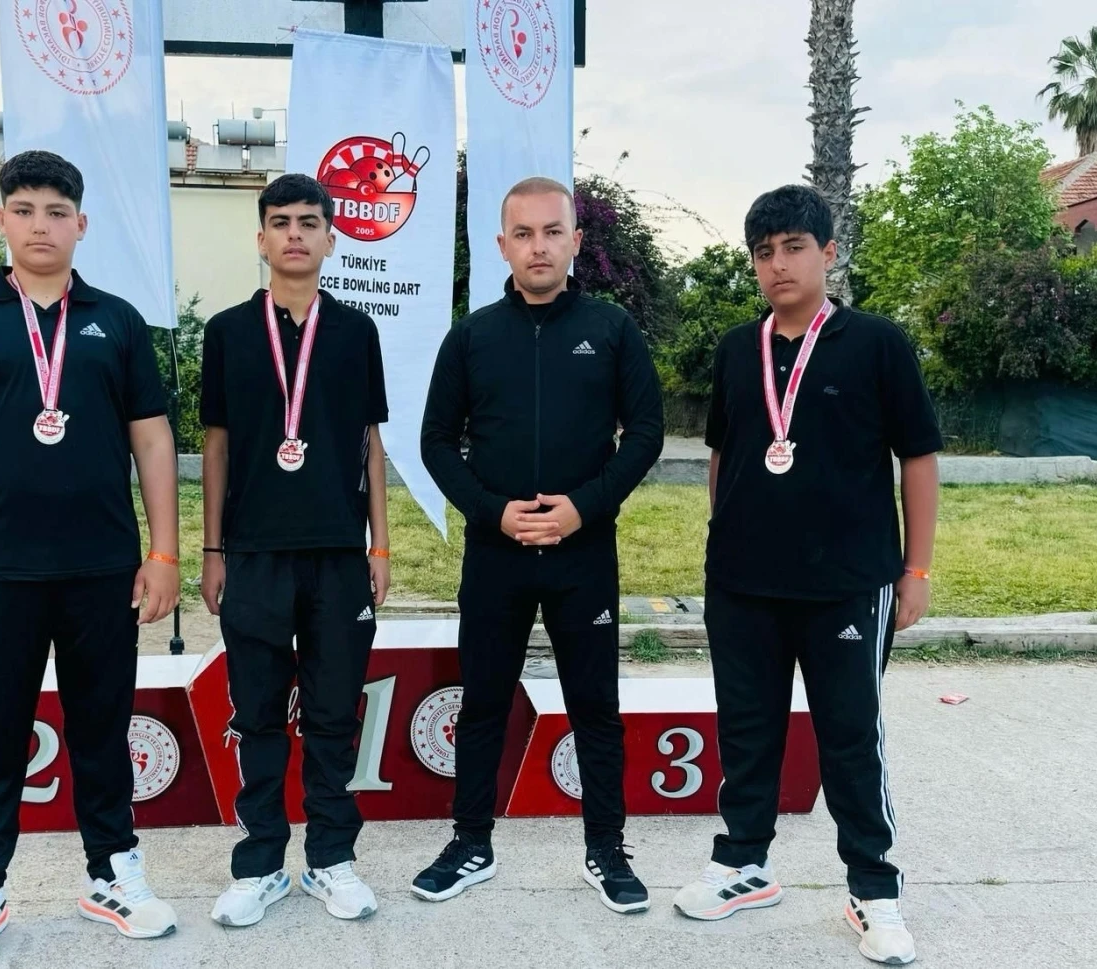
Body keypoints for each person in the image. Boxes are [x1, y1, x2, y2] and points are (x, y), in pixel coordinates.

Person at [0, 150, 181, 969]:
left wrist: (164, 550)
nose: (40, 225)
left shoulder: (117, 321)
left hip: (102, 566)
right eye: (23, 209)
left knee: (102, 725)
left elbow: (153, 440)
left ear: (81, 223)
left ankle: (111, 871)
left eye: (57, 211)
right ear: (2, 220)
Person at [672, 184, 940, 966]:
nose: (778, 265)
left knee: (849, 735)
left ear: (828, 252)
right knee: (746, 728)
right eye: (763, 252)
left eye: (793, 247)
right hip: (743, 584)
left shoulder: (877, 343)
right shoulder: (736, 348)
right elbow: (723, 453)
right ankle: (743, 863)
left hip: (849, 583)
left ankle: (873, 886)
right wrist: (726, 540)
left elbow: (918, 457)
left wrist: (916, 568)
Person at [414, 176, 664, 914]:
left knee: (596, 706)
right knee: (483, 704)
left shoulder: (612, 329)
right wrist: (494, 514)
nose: (539, 247)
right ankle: (470, 842)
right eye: (523, 234)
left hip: (582, 555)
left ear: (576, 241)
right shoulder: (472, 337)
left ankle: (606, 849)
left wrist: (583, 508)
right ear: (502, 245)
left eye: (552, 232)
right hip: (496, 555)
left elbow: (645, 433)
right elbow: (435, 442)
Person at [199, 173, 390, 927]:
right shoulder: (227, 332)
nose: (295, 235)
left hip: (338, 554)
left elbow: (370, 444)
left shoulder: (356, 331)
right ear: (261, 238)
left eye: (309, 222)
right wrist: (212, 549)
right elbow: (216, 447)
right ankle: (260, 863)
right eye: (280, 222)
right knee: (257, 714)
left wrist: (380, 543)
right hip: (252, 554)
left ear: (331, 239)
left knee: (334, 713)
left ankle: (330, 859)